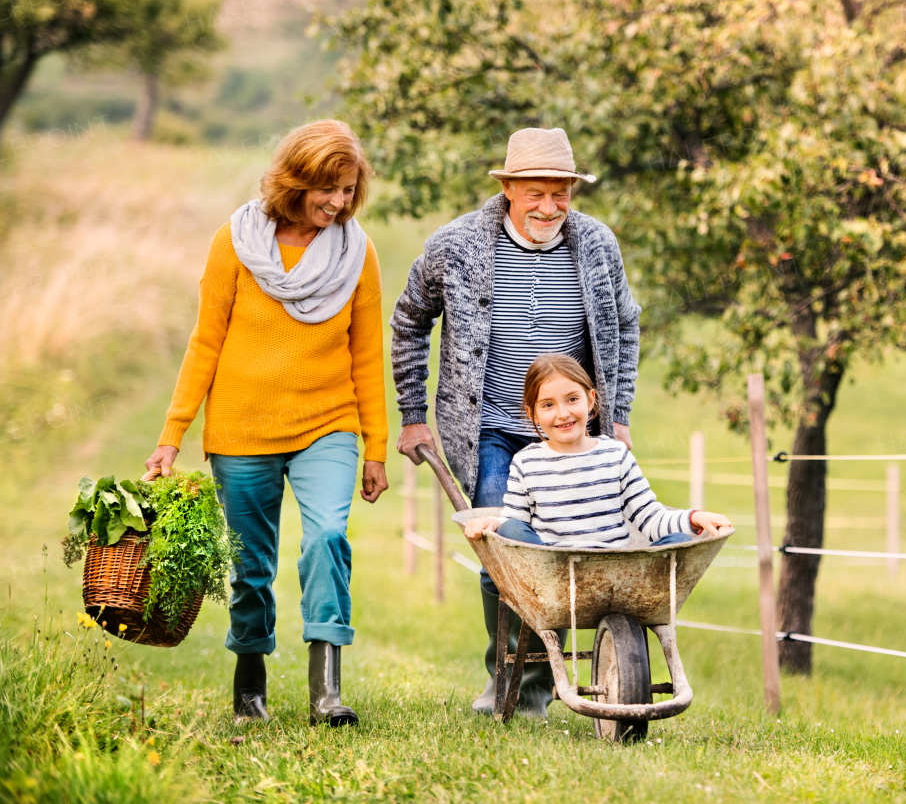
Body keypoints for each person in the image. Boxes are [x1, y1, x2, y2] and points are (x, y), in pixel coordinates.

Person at [145, 119, 388, 727]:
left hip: (327, 424)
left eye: (348, 190)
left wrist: (376, 447)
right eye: (327, 189)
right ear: (296, 179)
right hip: (242, 429)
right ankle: (249, 683)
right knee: (250, 566)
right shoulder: (236, 241)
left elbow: (366, 354)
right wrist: (172, 435)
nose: (338, 203)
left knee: (328, 535)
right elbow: (206, 342)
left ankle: (326, 690)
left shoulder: (358, 253)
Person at [390, 127, 641, 715]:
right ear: (507, 188)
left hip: (570, 429)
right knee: (503, 545)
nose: (549, 208)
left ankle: (544, 678)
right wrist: (411, 414)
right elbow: (409, 321)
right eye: (536, 193)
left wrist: (619, 414)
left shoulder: (597, 245)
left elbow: (626, 326)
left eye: (561, 195)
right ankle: (513, 685)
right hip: (488, 429)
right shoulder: (456, 245)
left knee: (576, 545)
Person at [464, 354, 733, 547]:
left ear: (590, 400)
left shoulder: (615, 456)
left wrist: (694, 517)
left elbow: (650, 518)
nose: (563, 413)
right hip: (552, 572)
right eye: (547, 405)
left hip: (615, 572)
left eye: (572, 399)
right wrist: (495, 523)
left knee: (677, 543)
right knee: (510, 528)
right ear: (531, 414)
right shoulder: (526, 463)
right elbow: (516, 523)